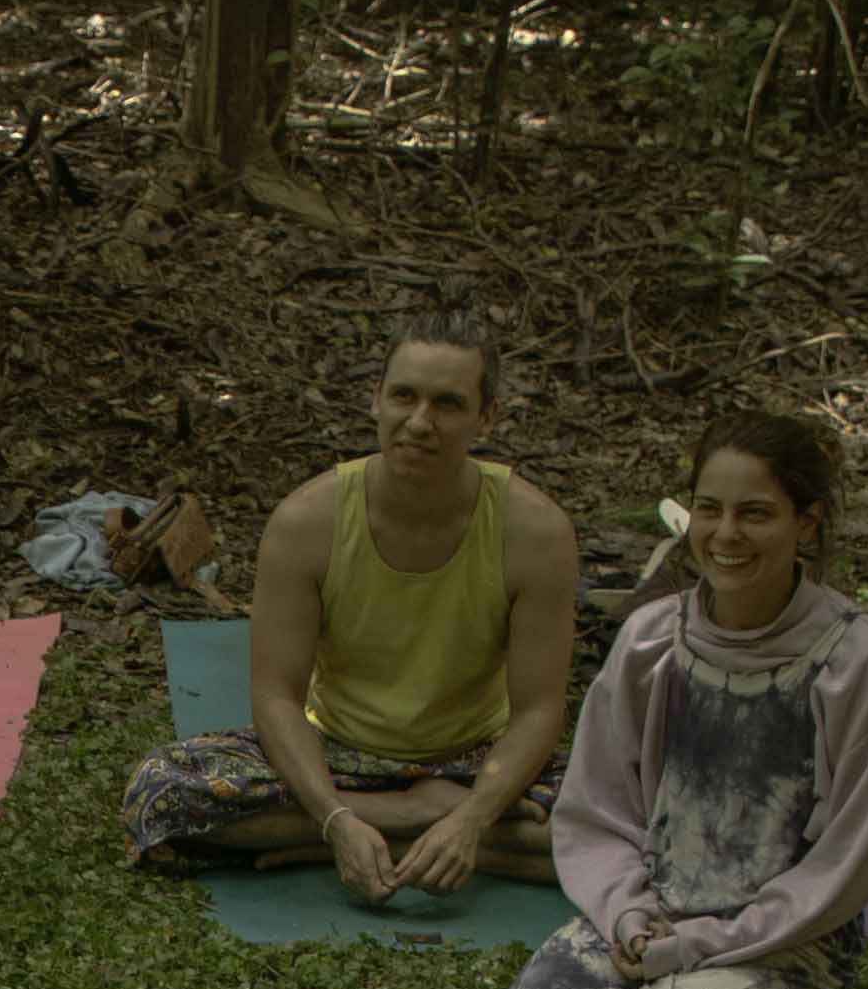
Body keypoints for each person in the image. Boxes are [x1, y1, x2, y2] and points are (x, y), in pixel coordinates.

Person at [485, 414, 868, 989]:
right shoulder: (654, 638)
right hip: (652, 915)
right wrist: (628, 915)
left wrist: (704, 946)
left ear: (806, 524)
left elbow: (848, 861)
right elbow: (598, 808)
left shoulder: (855, 661)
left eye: (756, 514)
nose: (725, 535)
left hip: (785, 946)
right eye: (709, 510)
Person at [125, 320, 576, 892]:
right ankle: (409, 824)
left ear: (486, 419)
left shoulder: (535, 531)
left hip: (475, 761)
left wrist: (471, 818)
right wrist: (336, 818)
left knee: (636, 824)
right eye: (404, 396)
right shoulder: (307, 521)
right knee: (160, 790)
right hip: (335, 754)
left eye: (448, 404)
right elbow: (276, 697)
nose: (419, 423)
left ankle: (424, 839)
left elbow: (539, 710)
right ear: (376, 399)